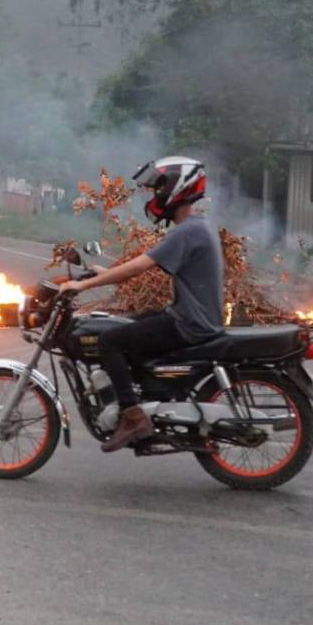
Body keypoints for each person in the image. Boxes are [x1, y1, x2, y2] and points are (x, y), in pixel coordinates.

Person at [61, 156, 223, 453]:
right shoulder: (197, 227)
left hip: (190, 323)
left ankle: (132, 416)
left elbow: (139, 266)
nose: (155, 195)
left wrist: (82, 286)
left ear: (177, 187)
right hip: (191, 317)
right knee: (128, 325)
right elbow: (147, 265)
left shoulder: (187, 231)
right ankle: (147, 398)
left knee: (109, 340)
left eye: (159, 188)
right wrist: (104, 273)